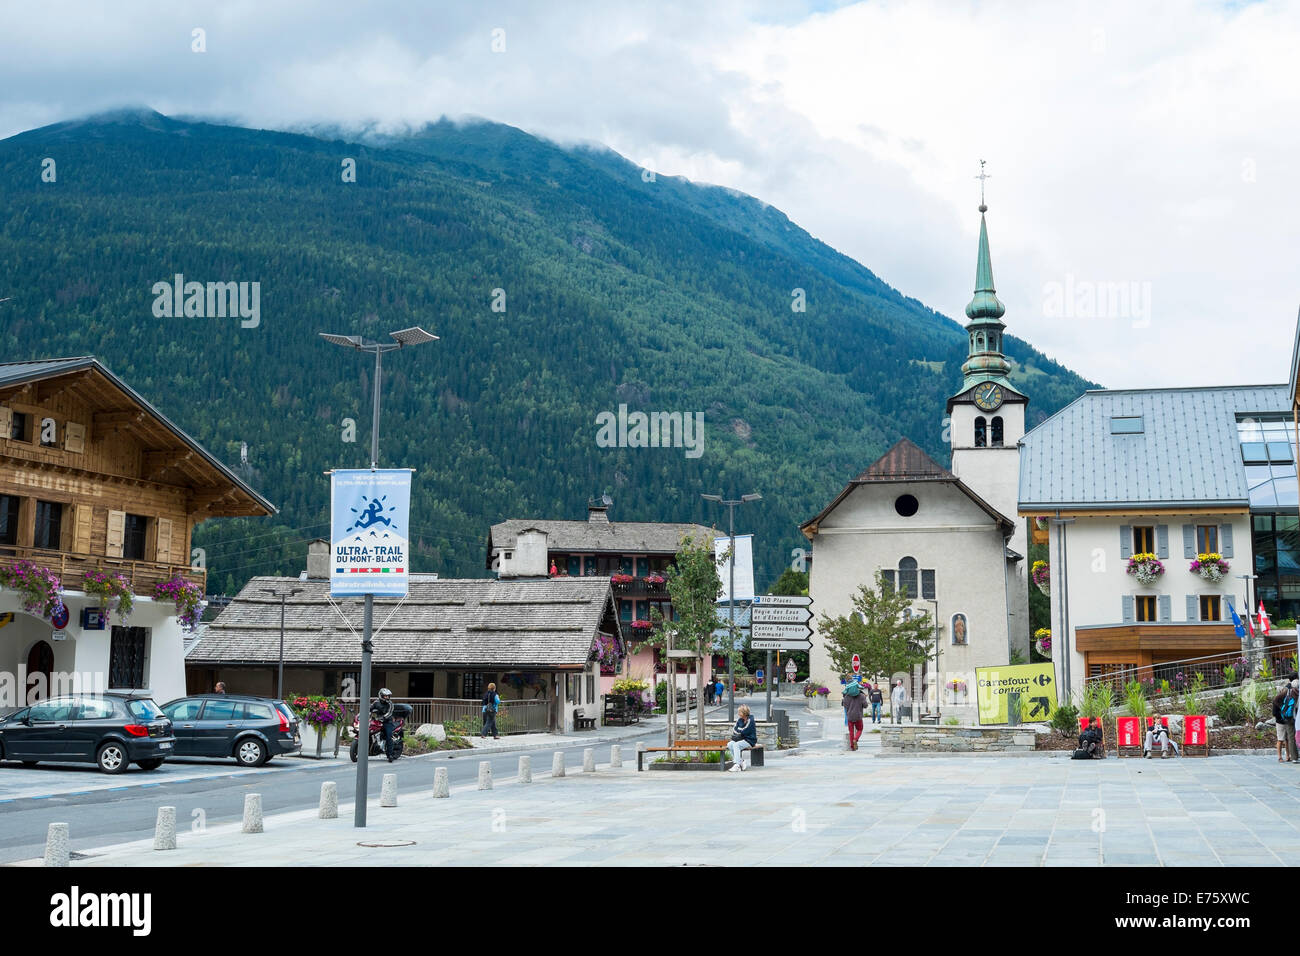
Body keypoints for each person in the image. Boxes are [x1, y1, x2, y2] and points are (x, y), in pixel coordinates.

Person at [1274, 679, 1298, 762]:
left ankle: (1288, 756)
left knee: (1288, 739)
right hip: (1281, 721)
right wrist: (1281, 717)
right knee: (1281, 739)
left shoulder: (1287, 697)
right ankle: (1280, 757)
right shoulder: (1278, 700)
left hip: (1286, 720)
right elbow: (1275, 713)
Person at [727, 705, 757, 771]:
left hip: (749, 740)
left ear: (744, 712)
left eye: (740, 712)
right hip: (740, 739)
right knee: (729, 744)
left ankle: (737, 765)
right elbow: (734, 729)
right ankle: (741, 761)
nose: (738, 713)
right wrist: (740, 732)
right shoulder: (739, 720)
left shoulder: (750, 720)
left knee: (736, 745)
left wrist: (739, 731)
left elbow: (745, 731)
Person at [371, 687, 396, 760]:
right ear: (381, 695)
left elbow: (389, 713)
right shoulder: (376, 702)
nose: (387, 697)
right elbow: (370, 708)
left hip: (387, 722)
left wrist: (383, 718)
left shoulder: (390, 703)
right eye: (385, 696)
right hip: (377, 721)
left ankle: (390, 755)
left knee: (388, 736)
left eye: (388, 696)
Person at [842, 677, 866, 750]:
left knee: (851, 731)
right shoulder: (861, 696)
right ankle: (856, 739)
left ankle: (852, 747)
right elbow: (865, 705)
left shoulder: (846, 697)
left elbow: (845, 706)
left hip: (850, 716)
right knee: (860, 729)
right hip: (858, 716)